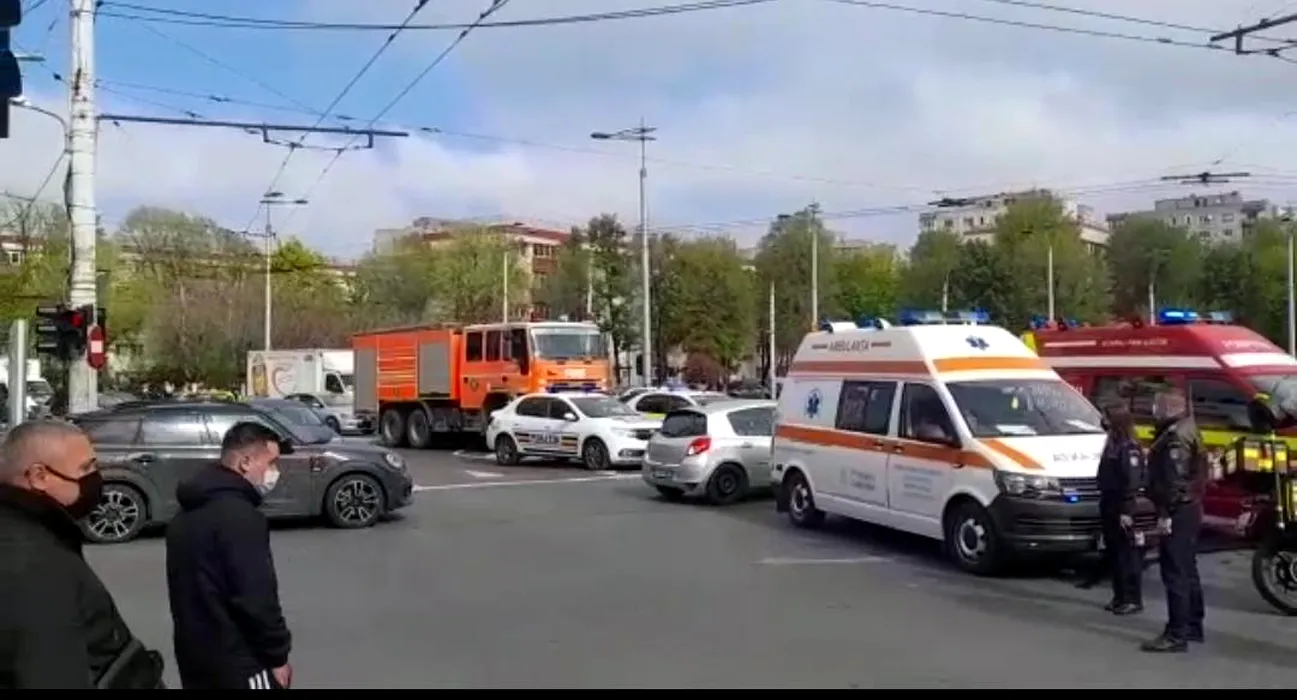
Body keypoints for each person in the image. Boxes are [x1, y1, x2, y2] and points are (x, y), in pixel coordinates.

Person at [0, 420, 164, 689]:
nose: (96, 478)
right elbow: (48, 673)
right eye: (86, 468)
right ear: (39, 477)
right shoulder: (33, 563)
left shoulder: (34, 533)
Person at [166, 421, 294, 689]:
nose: (274, 473)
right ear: (246, 462)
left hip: (194, 656)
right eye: (271, 463)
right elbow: (256, 597)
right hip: (240, 662)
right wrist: (277, 655)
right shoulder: (240, 518)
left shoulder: (185, 513)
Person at [1141, 387, 1207, 653]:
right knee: (1188, 569)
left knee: (1175, 572)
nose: (1154, 411)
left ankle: (1176, 633)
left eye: (1158, 406)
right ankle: (1193, 625)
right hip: (1190, 507)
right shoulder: (1188, 429)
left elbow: (1174, 482)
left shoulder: (1174, 439)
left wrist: (1165, 514)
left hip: (1178, 510)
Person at [1095, 399, 1147, 615]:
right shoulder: (1113, 443)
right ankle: (1120, 596)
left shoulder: (1128, 447)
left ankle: (1132, 598)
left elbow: (1131, 481)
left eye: (1106, 417)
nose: (1103, 421)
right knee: (1115, 553)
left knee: (1127, 554)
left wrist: (1126, 511)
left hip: (1122, 505)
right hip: (1109, 502)